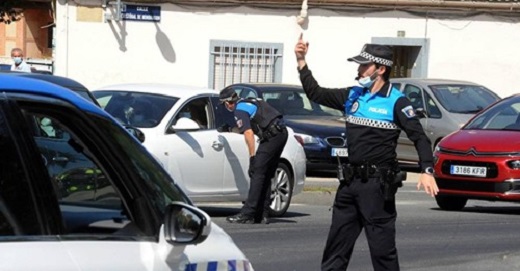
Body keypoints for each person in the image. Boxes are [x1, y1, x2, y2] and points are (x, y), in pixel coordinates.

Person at [294, 34, 439, 271]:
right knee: (336, 249)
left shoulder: (397, 102)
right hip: (349, 184)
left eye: (364, 65)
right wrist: (301, 61)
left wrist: (427, 170)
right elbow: (316, 93)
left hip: (377, 187)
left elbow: (419, 138)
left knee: (382, 253)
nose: (359, 70)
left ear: (380, 69)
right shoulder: (353, 95)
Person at [219, 87, 288, 224]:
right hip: (281, 133)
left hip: (271, 137)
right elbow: (248, 126)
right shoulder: (249, 101)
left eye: (224, 104)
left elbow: (249, 134)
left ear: (227, 103)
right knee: (266, 173)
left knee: (257, 172)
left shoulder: (239, 110)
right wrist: (229, 129)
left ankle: (248, 213)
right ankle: (262, 214)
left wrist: (252, 157)